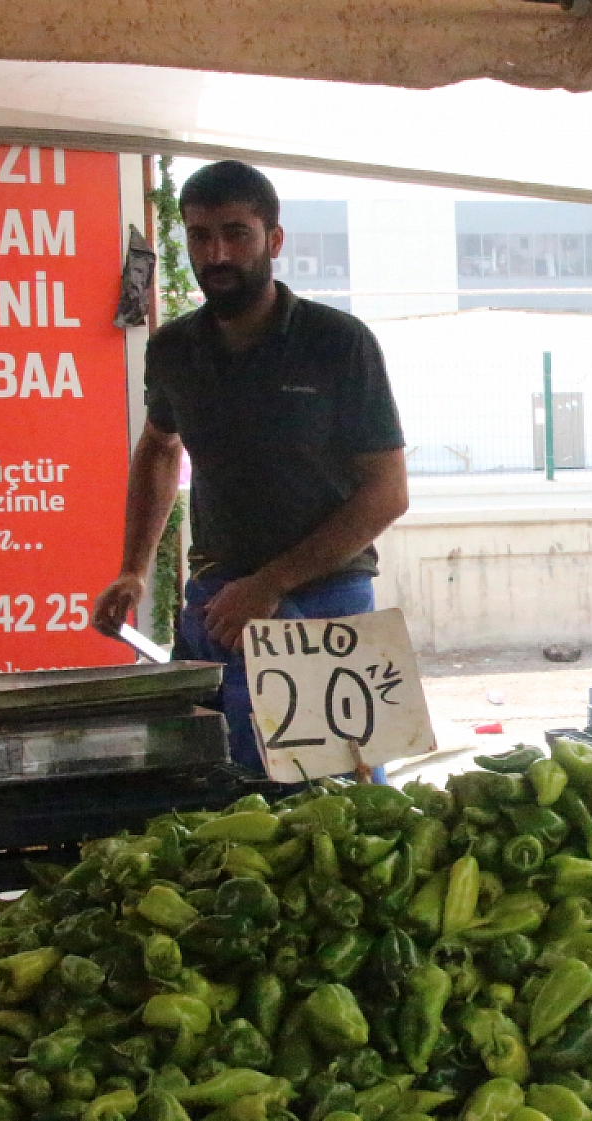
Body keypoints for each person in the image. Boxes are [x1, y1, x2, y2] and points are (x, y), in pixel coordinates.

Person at [93, 160, 409, 775]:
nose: (216, 253)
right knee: (222, 788)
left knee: (336, 799)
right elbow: (160, 448)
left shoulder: (338, 342)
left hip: (327, 601)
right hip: (217, 602)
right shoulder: (174, 348)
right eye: (200, 235)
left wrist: (271, 583)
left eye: (236, 233)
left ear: (274, 239)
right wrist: (133, 568)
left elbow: (386, 494)